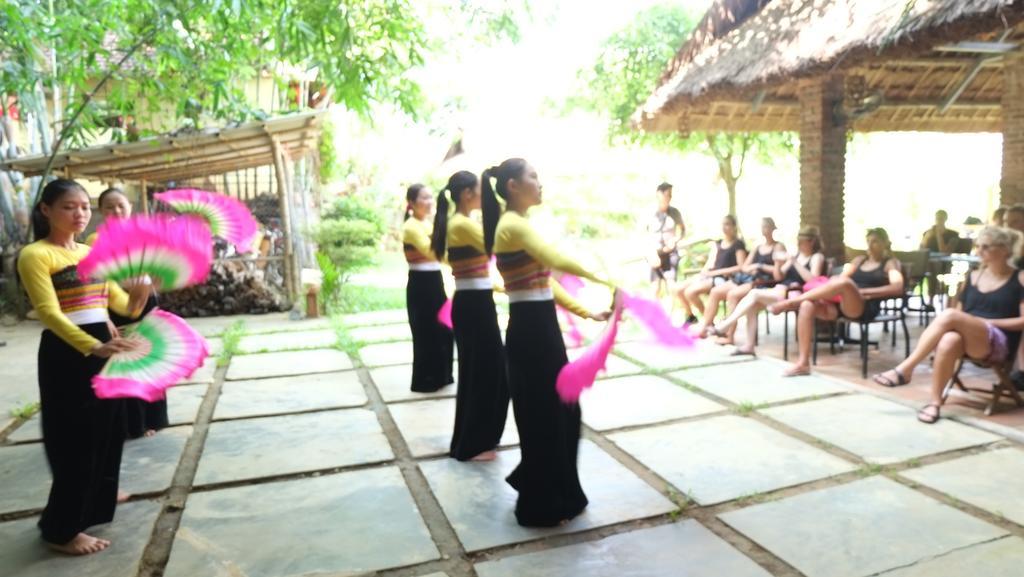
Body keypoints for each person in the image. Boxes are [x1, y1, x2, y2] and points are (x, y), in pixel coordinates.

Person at [18, 179, 149, 555]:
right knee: (73, 440)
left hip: (104, 350)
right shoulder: (36, 255)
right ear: (46, 211)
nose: (79, 214)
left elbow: (124, 307)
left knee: (107, 435)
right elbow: (48, 313)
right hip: (68, 353)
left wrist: (141, 290)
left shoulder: (94, 250)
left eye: (85, 207)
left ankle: (93, 506)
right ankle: (60, 530)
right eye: (68, 207)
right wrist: (94, 346)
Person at [482, 158, 613, 528]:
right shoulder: (511, 225)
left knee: (564, 413)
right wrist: (605, 277)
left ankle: (560, 494)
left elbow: (546, 281)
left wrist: (589, 312)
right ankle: (540, 504)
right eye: (533, 177)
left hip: (542, 330)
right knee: (543, 416)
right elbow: (555, 260)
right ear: (512, 185)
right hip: (530, 333)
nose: (540, 183)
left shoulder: (521, 224)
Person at [872, 227, 1024, 422]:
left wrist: (985, 322)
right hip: (969, 336)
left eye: (986, 247)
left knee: (950, 315)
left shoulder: (1019, 278)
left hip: (998, 343)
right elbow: (960, 314)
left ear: (1004, 250)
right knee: (949, 340)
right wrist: (967, 324)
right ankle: (935, 403)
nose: (979, 251)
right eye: (978, 246)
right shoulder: (972, 277)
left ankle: (906, 369)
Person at [430, 171, 509, 462]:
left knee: (487, 371)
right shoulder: (461, 225)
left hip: (476, 302)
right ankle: (474, 443)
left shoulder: (462, 223)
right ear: (466, 194)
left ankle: (478, 439)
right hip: (473, 305)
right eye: (479, 190)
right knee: (484, 372)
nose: (482, 195)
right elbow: (499, 243)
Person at [769, 228, 904, 377]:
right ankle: (803, 363)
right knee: (808, 305)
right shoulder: (859, 260)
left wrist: (865, 292)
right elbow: (840, 279)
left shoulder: (890, 263)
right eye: (869, 241)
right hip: (840, 303)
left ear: (885, 243)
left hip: (863, 306)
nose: (871, 245)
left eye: (876, 242)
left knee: (845, 283)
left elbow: (897, 287)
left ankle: (790, 302)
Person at [88, 187, 166, 439]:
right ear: (101, 211)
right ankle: (134, 423)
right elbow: (93, 283)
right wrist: (105, 316)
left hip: (146, 301)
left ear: (130, 208)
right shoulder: (93, 241)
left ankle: (153, 418)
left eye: (121, 205)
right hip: (116, 305)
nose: (116, 211)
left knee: (150, 360)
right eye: (109, 207)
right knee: (126, 363)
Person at [712, 226, 826, 355]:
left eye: (801, 242)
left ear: (811, 242)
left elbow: (813, 280)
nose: (799, 245)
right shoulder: (796, 256)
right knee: (752, 305)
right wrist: (778, 263)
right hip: (782, 289)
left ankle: (726, 324)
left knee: (754, 293)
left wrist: (794, 262)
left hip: (796, 293)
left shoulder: (817, 257)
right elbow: (779, 276)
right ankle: (749, 345)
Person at [402, 183, 454, 393]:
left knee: (443, 330)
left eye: (430, 197)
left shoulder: (427, 224)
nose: (429, 201)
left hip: (435, 281)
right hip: (421, 285)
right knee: (426, 332)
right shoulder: (411, 226)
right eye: (424, 198)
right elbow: (431, 251)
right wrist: (462, 264)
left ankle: (442, 376)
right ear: (411, 203)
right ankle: (427, 380)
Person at [700, 217, 783, 344]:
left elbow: (780, 270)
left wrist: (760, 266)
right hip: (747, 278)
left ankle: (729, 335)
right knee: (716, 292)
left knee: (733, 295)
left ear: (772, 228)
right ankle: (704, 328)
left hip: (762, 282)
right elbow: (744, 266)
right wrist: (753, 268)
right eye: (762, 226)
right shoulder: (758, 247)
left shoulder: (778, 246)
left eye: (766, 226)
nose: (764, 229)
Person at [675, 215, 746, 324]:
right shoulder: (717, 244)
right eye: (723, 224)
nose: (724, 227)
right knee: (679, 289)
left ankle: (708, 322)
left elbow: (741, 266)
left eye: (727, 224)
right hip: (710, 275)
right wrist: (704, 272)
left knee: (690, 292)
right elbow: (710, 263)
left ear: (734, 226)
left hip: (723, 278)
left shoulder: (738, 244)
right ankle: (691, 316)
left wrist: (716, 272)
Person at [647, 182, 684, 298]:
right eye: (667, 195)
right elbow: (643, 235)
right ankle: (654, 315)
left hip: (671, 253)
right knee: (655, 288)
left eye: (671, 195)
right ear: (659, 194)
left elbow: (682, 230)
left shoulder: (674, 212)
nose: (669, 198)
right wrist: (651, 253)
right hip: (655, 253)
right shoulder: (650, 213)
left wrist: (675, 240)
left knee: (672, 286)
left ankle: (668, 314)